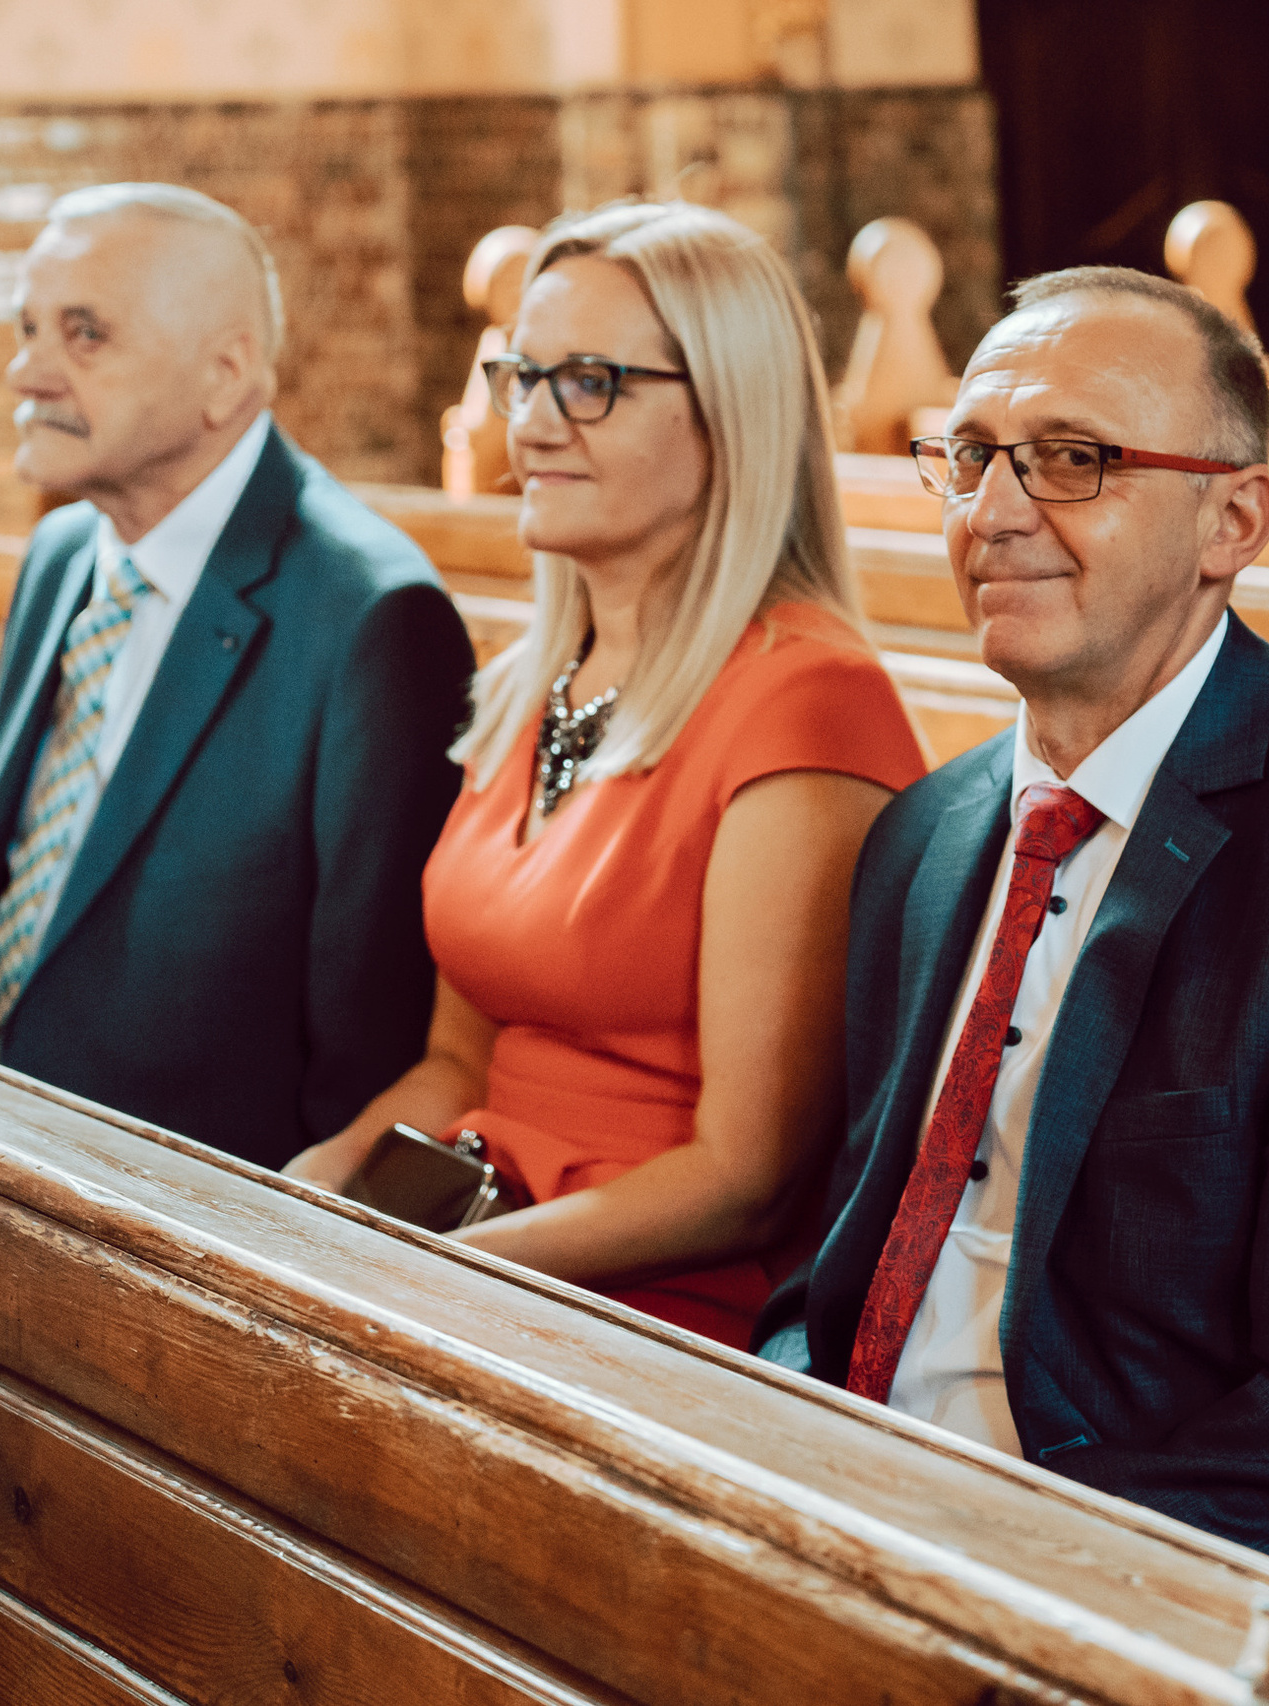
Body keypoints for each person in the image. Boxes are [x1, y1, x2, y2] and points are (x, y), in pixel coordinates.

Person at [753, 268, 1269, 1557]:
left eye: (1070, 459)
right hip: (840, 1504)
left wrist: (975, 1546)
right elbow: (833, 1270)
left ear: (1234, 521)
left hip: (1104, 1565)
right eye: (971, 455)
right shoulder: (922, 836)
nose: (991, 511)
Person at [286, 203, 927, 1351]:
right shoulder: (527, 681)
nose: (529, 423)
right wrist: (313, 1192)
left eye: (588, 381)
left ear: (730, 413)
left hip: (659, 1308)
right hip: (483, 1235)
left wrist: (432, 1269)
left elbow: (749, 1179)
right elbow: (456, 1063)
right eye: (520, 376)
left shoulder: (807, 699)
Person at [0, 184, 473, 1171]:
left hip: (180, 1203)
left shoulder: (371, 619)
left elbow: (365, 1052)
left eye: (85, 335)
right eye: (29, 326)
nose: (26, 369)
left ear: (225, 374)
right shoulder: (62, 553)